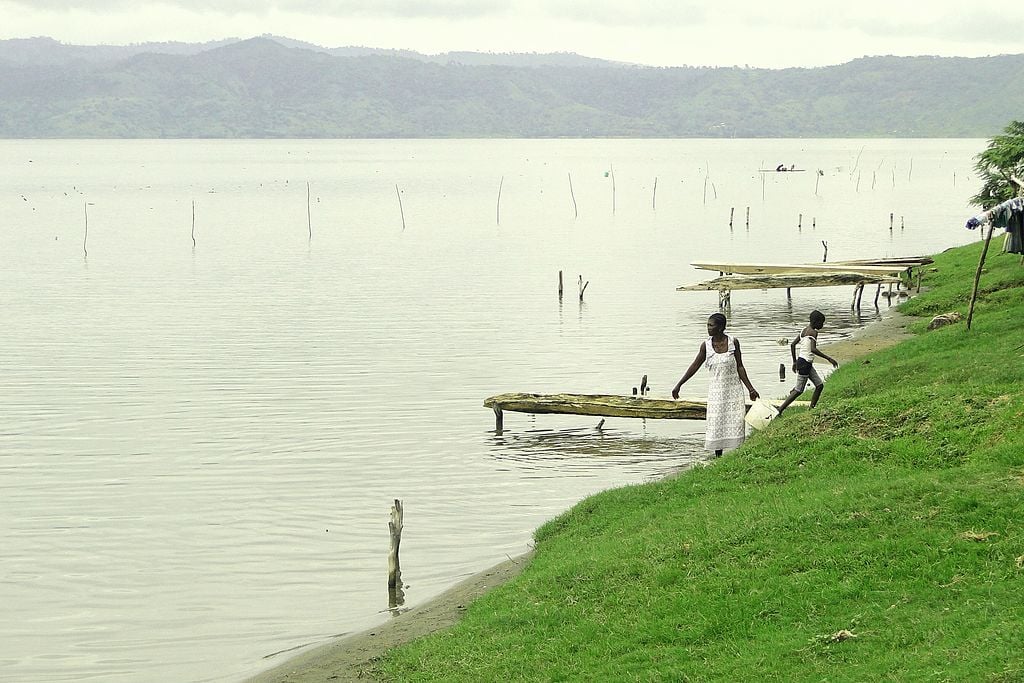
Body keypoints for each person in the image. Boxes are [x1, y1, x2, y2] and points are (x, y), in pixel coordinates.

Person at [671, 313, 759, 456]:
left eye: (711, 325)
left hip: (733, 391)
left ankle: (738, 453)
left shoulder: (733, 342)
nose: (708, 328)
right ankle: (718, 455)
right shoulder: (706, 346)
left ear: (721, 327)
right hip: (716, 392)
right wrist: (679, 384)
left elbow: (740, 367)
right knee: (717, 421)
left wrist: (750, 388)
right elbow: (695, 366)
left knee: (736, 420)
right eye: (707, 325)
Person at [776, 310, 838, 414]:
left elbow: (792, 345)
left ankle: (812, 409)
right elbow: (813, 349)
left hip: (803, 362)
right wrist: (828, 358)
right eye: (821, 323)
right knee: (798, 390)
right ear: (815, 322)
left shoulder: (803, 330)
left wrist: (794, 362)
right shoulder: (813, 332)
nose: (822, 325)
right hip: (805, 364)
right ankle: (780, 410)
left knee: (819, 385)